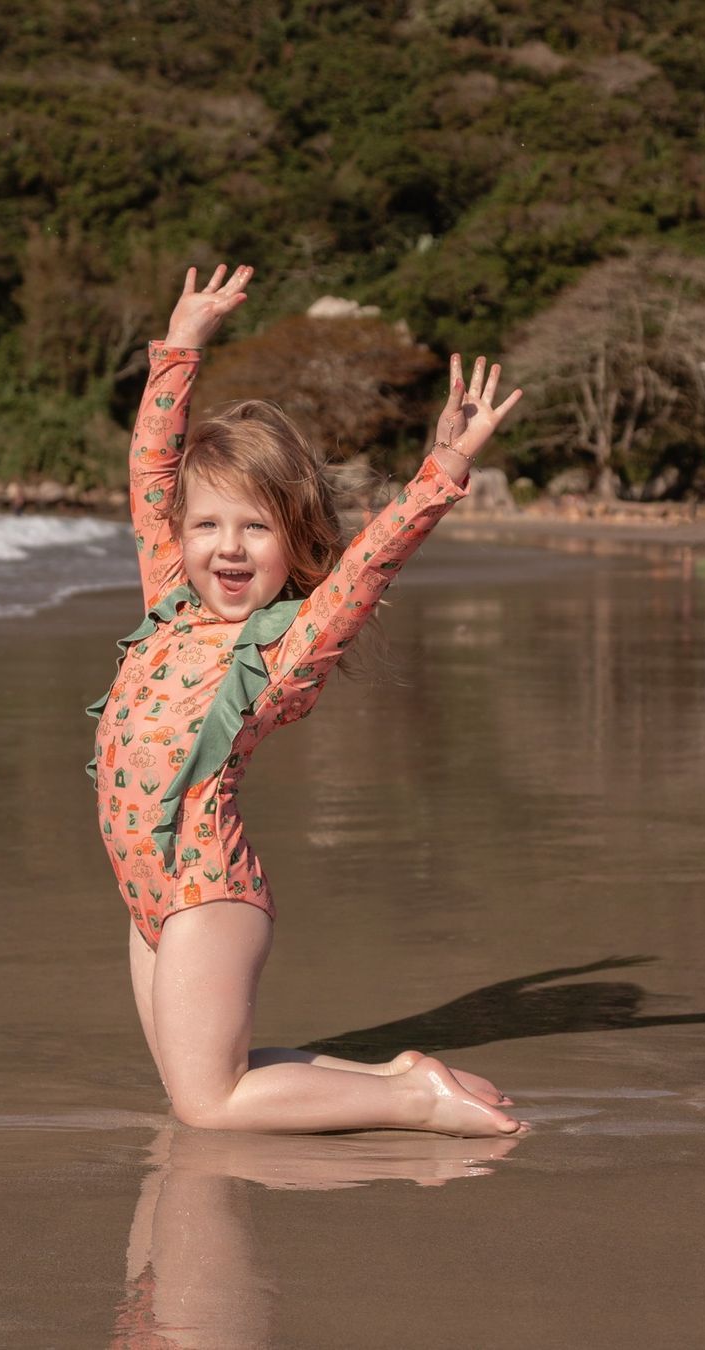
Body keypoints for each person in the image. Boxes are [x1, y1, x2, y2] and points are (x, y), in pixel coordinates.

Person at [87, 263, 527, 1136]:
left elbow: (370, 565)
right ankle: (400, 1074)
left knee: (208, 1109)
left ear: (294, 542)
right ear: (181, 535)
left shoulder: (283, 648)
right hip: (148, 899)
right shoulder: (170, 600)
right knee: (203, 1084)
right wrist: (181, 346)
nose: (229, 547)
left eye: (256, 527)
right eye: (209, 525)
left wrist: (445, 465)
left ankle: (415, 1104)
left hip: (207, 893)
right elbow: (151, 468)